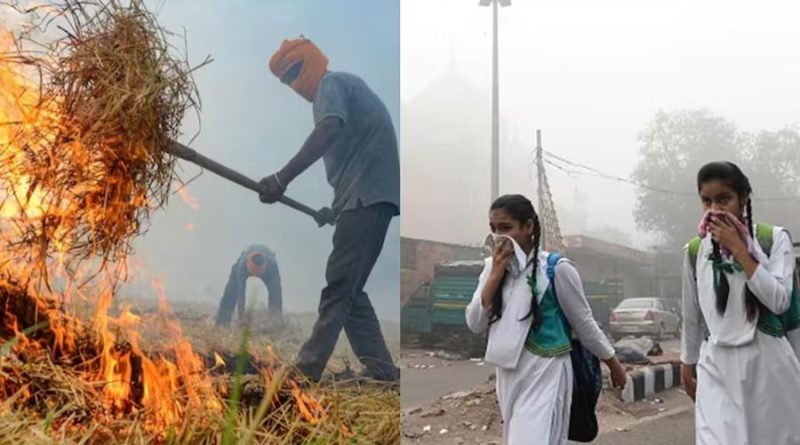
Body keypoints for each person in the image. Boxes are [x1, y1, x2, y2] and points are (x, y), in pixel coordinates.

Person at [259, 37, 400, 382]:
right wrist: (334, 211)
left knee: (339, 285)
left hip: (366, 198)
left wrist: (282, 177)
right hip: (361, 199)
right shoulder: (340, 87)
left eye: (294, 72)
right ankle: (382, 370)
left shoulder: (330, 84)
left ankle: (305, 371)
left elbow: (329, 130)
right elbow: (355, 156)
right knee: (350, 289)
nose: (293, 83)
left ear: (311, 61)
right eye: (286, 80)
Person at [465, 194, 627, 445]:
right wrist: (495, 275)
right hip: (508, 373)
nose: (498, 237)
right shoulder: (491, 268)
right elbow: (474, 322)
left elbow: (584, 323)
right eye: (494, 229)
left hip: (547, 370)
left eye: (506, 228)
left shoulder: (556, 269)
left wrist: (613, 363)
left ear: (529, 227)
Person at [680, 161, 800, 444]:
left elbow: (780, 301)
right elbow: (692, 314)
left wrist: (741, 249)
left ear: (743, 198)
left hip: (767, 366)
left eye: (724, 199)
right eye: (706, 201)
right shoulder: (695, 250)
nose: (715, 210)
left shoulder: (773, 239)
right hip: (716, 366)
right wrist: (688, 362)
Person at [215, 245, 282, 327]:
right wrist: (241, 318)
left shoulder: (272, 266)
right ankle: (222, 323)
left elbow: (276, 294)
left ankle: (276, 325)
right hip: (244, 263)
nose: (256, 275)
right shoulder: (242, 265)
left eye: (259, 272)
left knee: (275, 297)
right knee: (231, 292)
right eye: (254, 272)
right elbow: (240, 293)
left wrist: (276, 317)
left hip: (268, 268)